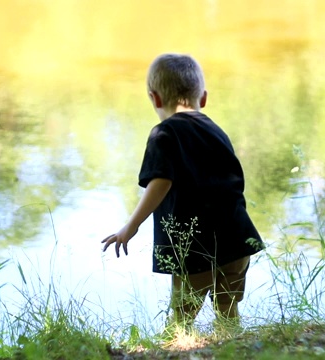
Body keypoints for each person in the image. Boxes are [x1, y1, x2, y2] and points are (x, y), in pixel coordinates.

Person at [102, 53, 264, 329]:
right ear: (203, 98)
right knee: (227, 311)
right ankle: (233, 348)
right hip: (237, 240)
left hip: (196, 249)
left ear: (154, 98)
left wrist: (131, 226)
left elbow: (160, 182)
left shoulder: (164, 134)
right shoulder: (217, 131)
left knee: (180, 321)